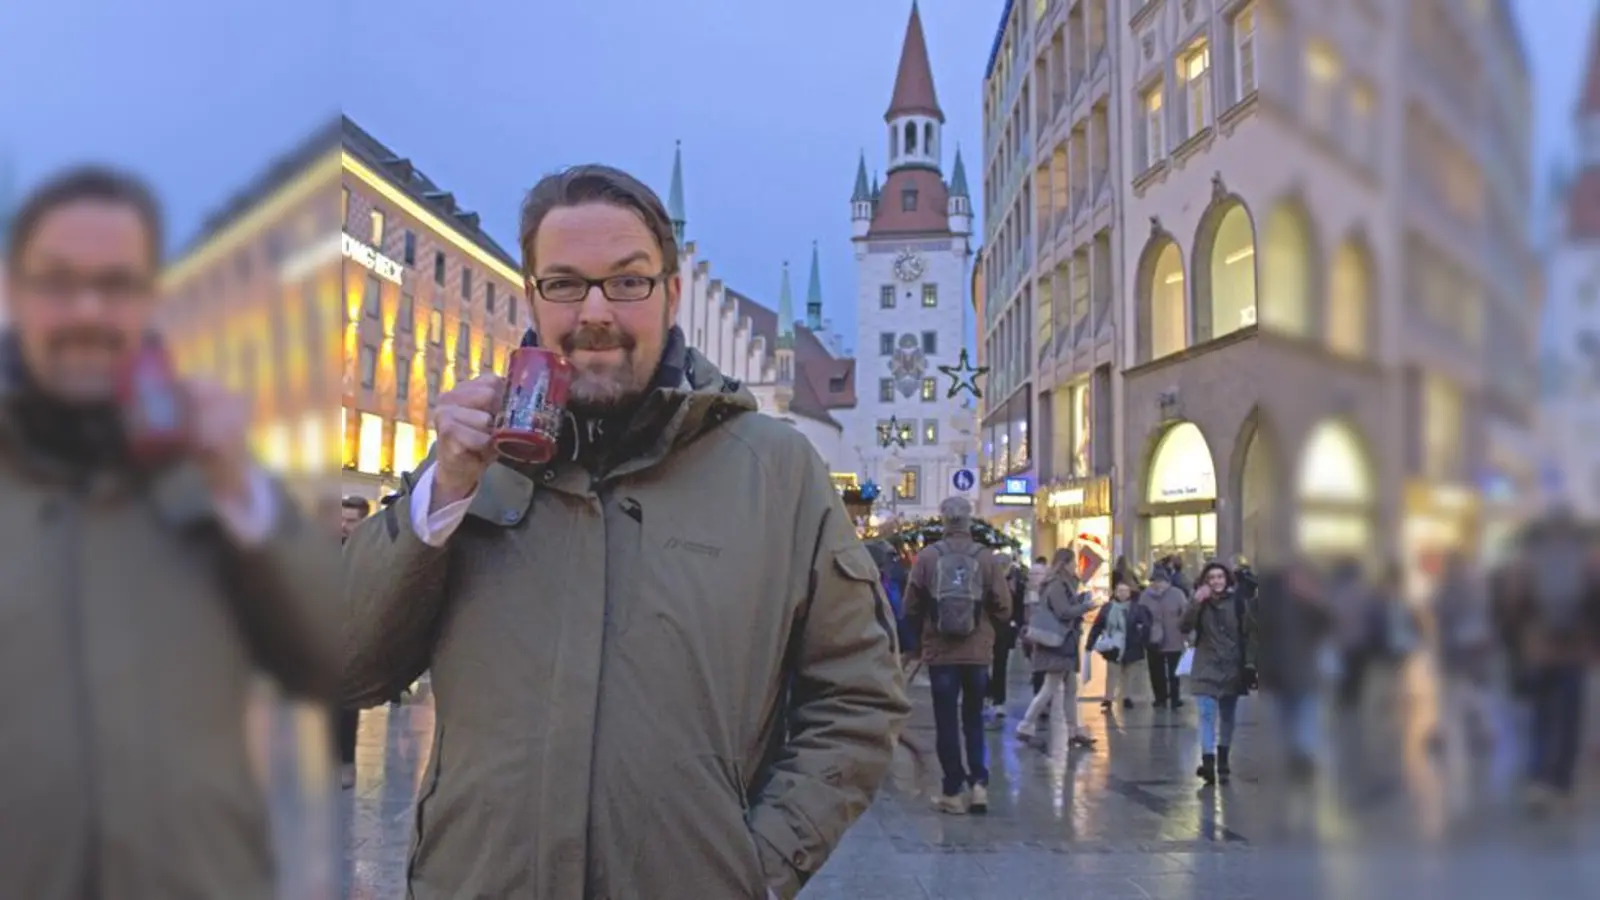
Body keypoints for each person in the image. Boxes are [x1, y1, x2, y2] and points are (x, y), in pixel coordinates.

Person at [343, 164, 908, 899]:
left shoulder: (775, 472)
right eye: (567, 283)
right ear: (533, 298)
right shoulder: (468, 465)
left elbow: (858, 696)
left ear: (673, 294)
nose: (596, 310)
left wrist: (756, 868)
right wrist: (439, 495)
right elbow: (348, 667)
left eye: (629, 281)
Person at [0, 166, 335, 897]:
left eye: (117, 284)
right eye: (57, 282)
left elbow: (328, 658)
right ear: (12, 293)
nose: (88, 307)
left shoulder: (209, 468)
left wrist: (238, 489)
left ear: (151, 300)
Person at [903, 496, 1011, 815]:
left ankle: (952, 791)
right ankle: (979, 785)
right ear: (968, 521)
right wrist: (986, 625)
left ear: (943, 520)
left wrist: (922, 632)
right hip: (977, 654)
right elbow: (1004, 606)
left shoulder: (928, 557)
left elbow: (909, 606)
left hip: (941, 654)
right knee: (974, 717)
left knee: (946, 721)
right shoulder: (986, 558)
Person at [1180, 561, 1256, 785]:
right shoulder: (1199, 602)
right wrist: (1195, 602)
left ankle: (1223, 757)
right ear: (1205, 581)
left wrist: (1250, 665)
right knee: (1205, 715)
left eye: (1220, 577)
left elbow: (1251, 635)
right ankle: (1208, 761)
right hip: (1206, 666)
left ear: (1227, 580)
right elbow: (1184, 626)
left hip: (1233, 666)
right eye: (1211, 578)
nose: (1216, 581)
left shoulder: (1239, 603)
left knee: (1227, 716)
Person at [1015, 548, 1095, 751]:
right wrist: (1087, 606)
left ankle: (1073, 731)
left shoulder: (1061, 583)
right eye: (1073, 563)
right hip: (1057, 642)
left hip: (1062, 641)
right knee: (1050, 687)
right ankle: (1025, 725)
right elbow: (1063, 611)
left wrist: (1080, 600)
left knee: (1070, 688)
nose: (1075, 566)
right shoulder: (1057, 585)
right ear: (1065, 563)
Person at [1087, 581, 1153, 711]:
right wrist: (1091, 642)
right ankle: (1108, 698)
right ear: (1115, 592)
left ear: (1129, 593)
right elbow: (1098, 625)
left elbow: (1146, 625)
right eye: (1120, 590)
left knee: (1128, 672)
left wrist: (1142, 637)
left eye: (1125, 591)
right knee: (1112, 672)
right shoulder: (1107, 608)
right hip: (1113, 645)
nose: (1123, 593)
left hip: (1131, 644)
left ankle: (1126, 697)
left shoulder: (1137, 608)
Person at [1140, 565, 1189, 709]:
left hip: (1174, 637)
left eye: (1162, 581)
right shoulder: (1145, 596)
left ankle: (1175, 698)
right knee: (1156, 671)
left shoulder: (1177, 594)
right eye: (1155, 581)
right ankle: (1159, 698)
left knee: (1175, 671)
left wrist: (1187, 634)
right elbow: (1140, 615)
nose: (1159, 584)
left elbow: (1185, 614)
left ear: (1168, 582)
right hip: (1153, 639)